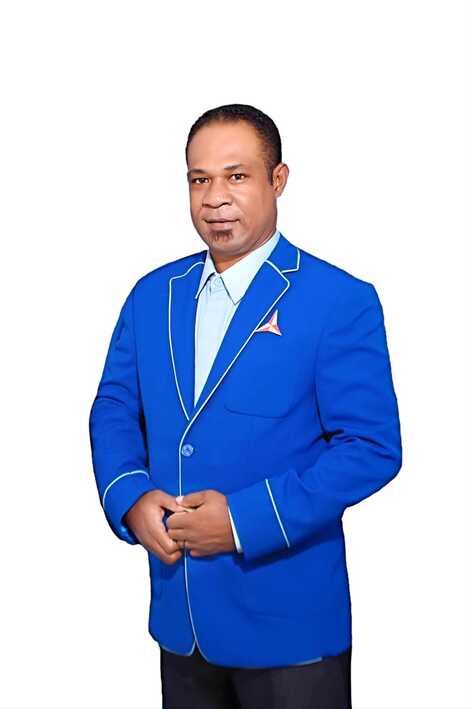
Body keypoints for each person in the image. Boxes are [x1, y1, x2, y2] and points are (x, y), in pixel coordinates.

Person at [88, 103, 402, 709]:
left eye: (236, 176)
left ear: (277, 180)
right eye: (199, 179)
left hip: (291, 629)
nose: (215, 198)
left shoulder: (339, 300)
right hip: (181, 619)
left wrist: (241, 521)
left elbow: (371, 448)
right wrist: (129, 496)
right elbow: (116, 406)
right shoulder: (152, 295)